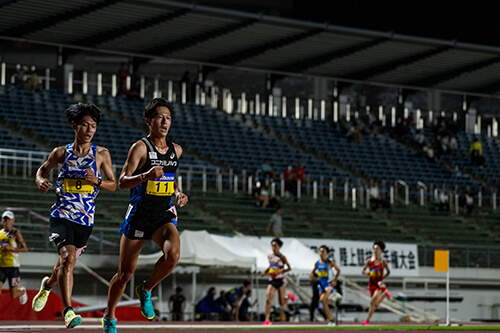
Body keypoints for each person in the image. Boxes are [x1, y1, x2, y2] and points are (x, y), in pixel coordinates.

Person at [102, 98, 188, 333]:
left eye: (168, 118)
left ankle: (146, 289)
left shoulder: (176, 150)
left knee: (173, 255)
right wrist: (146, 175)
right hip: (139, 215)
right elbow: (121, 182)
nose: (165, 122)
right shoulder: (140, 148)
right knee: (124, 274)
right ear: (149, 120)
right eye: (160, 117)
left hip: (163, 215)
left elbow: (170, 180)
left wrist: (179, 193)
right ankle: (109, 316)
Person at [32, 103, 116, 329]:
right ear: (74, 126)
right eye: (85, 125)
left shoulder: (101, 154)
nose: (90, 130)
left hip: (85, 221)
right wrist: (40, 179)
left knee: (63, 265)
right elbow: (43, 169)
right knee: (68, 260)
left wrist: (97, 181)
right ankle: (68, 311)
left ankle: (47, 285)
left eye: (93, 126)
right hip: (61, 215)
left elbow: (113, 185)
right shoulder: (61, 153)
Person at [260, 238, 296, 326]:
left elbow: (289, 268)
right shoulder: (270, 256)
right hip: (272, 280)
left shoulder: (282, 257)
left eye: (275, 246)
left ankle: (289, 296)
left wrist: (280, 272)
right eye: (272, 246)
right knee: (268, 299)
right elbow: (271, 266)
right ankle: (267, 320)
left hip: (280, 281)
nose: (273, 248)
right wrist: (265, 271)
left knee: (282, 303)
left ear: (279, 247)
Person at [0, 210, 28, 305]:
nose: (6, 222)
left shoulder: (15, 233)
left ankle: (22, 292)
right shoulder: (0, 233)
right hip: (1, 266)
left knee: (13, 294)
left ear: (13, 221)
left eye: (8, 220)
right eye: (4, 219)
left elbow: (25, 249)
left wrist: (12, 249)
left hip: (13, 267)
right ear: (1, 220)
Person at [309, 245, 341, 326]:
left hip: (328, 284)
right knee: (323, 302)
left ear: (327, 253)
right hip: (321, 284)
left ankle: (334, 297)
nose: (321, 253)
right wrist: (313, 277)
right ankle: (331, 320)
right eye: (320, 251)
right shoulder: (317, 263)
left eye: (323, 251)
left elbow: (338, 270)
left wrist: (335, 280)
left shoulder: (330, 262)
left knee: (323, 300)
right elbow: (312, 273)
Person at [362, 241, 391, 325]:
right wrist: (366, 273)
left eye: (377, 249)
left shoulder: (383, 262)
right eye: (374, 248)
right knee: (376, 305)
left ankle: (367, 320)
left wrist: (382, 278)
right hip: (371, 284)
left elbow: (388, 272)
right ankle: (385, 294)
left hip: (379, 284)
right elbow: (363, 271)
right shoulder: (369, 261)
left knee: (372, 301)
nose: (375, 250)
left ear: (381, 250)